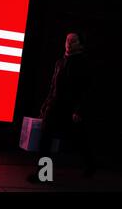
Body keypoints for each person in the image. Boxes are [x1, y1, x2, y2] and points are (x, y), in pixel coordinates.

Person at [28, 32, 96, 182]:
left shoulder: (84, 64)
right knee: (46, 140)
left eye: (73, 41)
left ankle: (90, 164)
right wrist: (46, 105)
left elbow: (87, 89)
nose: (69, 43)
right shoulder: (60, 62)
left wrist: (79, 110)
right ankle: (44, 175)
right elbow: (53, 87)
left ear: (81, 45)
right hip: (55, 107)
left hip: (70, 109)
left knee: (78, 139)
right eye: (67, 40)